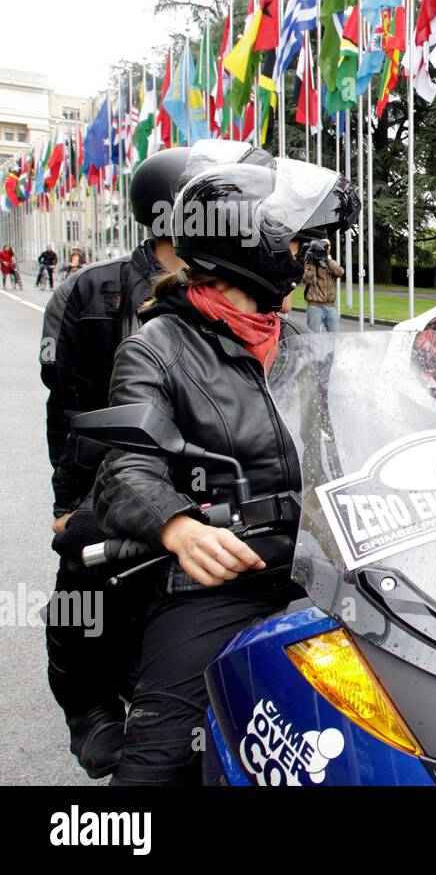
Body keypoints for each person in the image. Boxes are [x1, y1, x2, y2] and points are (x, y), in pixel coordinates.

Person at [92, 155, 358, 785]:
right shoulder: (156, 347)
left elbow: (348, 446)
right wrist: (179, 528)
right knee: (156, 765)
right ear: (250, 245)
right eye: (294, 240)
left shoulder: (298, 345)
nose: (304, 254)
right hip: (218, 579)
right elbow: (124, 466)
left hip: (320, 567)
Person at [40, 140, 275, 779]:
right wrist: (70, 502)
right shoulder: (97, 294)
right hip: (118, 477)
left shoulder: (259, 310)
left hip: (226, 496)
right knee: (81, 571)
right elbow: (69, 408)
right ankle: (88, 705)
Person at [300, 236, 345, 332]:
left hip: (331, 306)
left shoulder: (331, 263)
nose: (325, 248)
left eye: (327, 246)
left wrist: (327, 260)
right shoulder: (311, 262)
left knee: (334, 336)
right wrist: (311, 262)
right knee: (313, 336)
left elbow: (340, 272)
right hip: (315, 306)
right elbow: (307, 280)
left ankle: (332, 348)